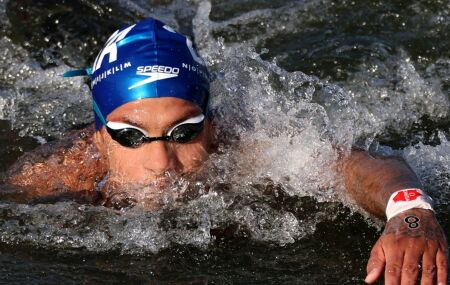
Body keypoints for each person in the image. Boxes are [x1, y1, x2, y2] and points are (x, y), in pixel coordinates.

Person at [2, 18, 447, 285]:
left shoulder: (245, 146)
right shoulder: (53, 178)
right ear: (99, 136)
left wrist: (410, 212)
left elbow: (362, 162)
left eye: (184, 132)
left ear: (212, 126)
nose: (162, 163)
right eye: (131, 136)